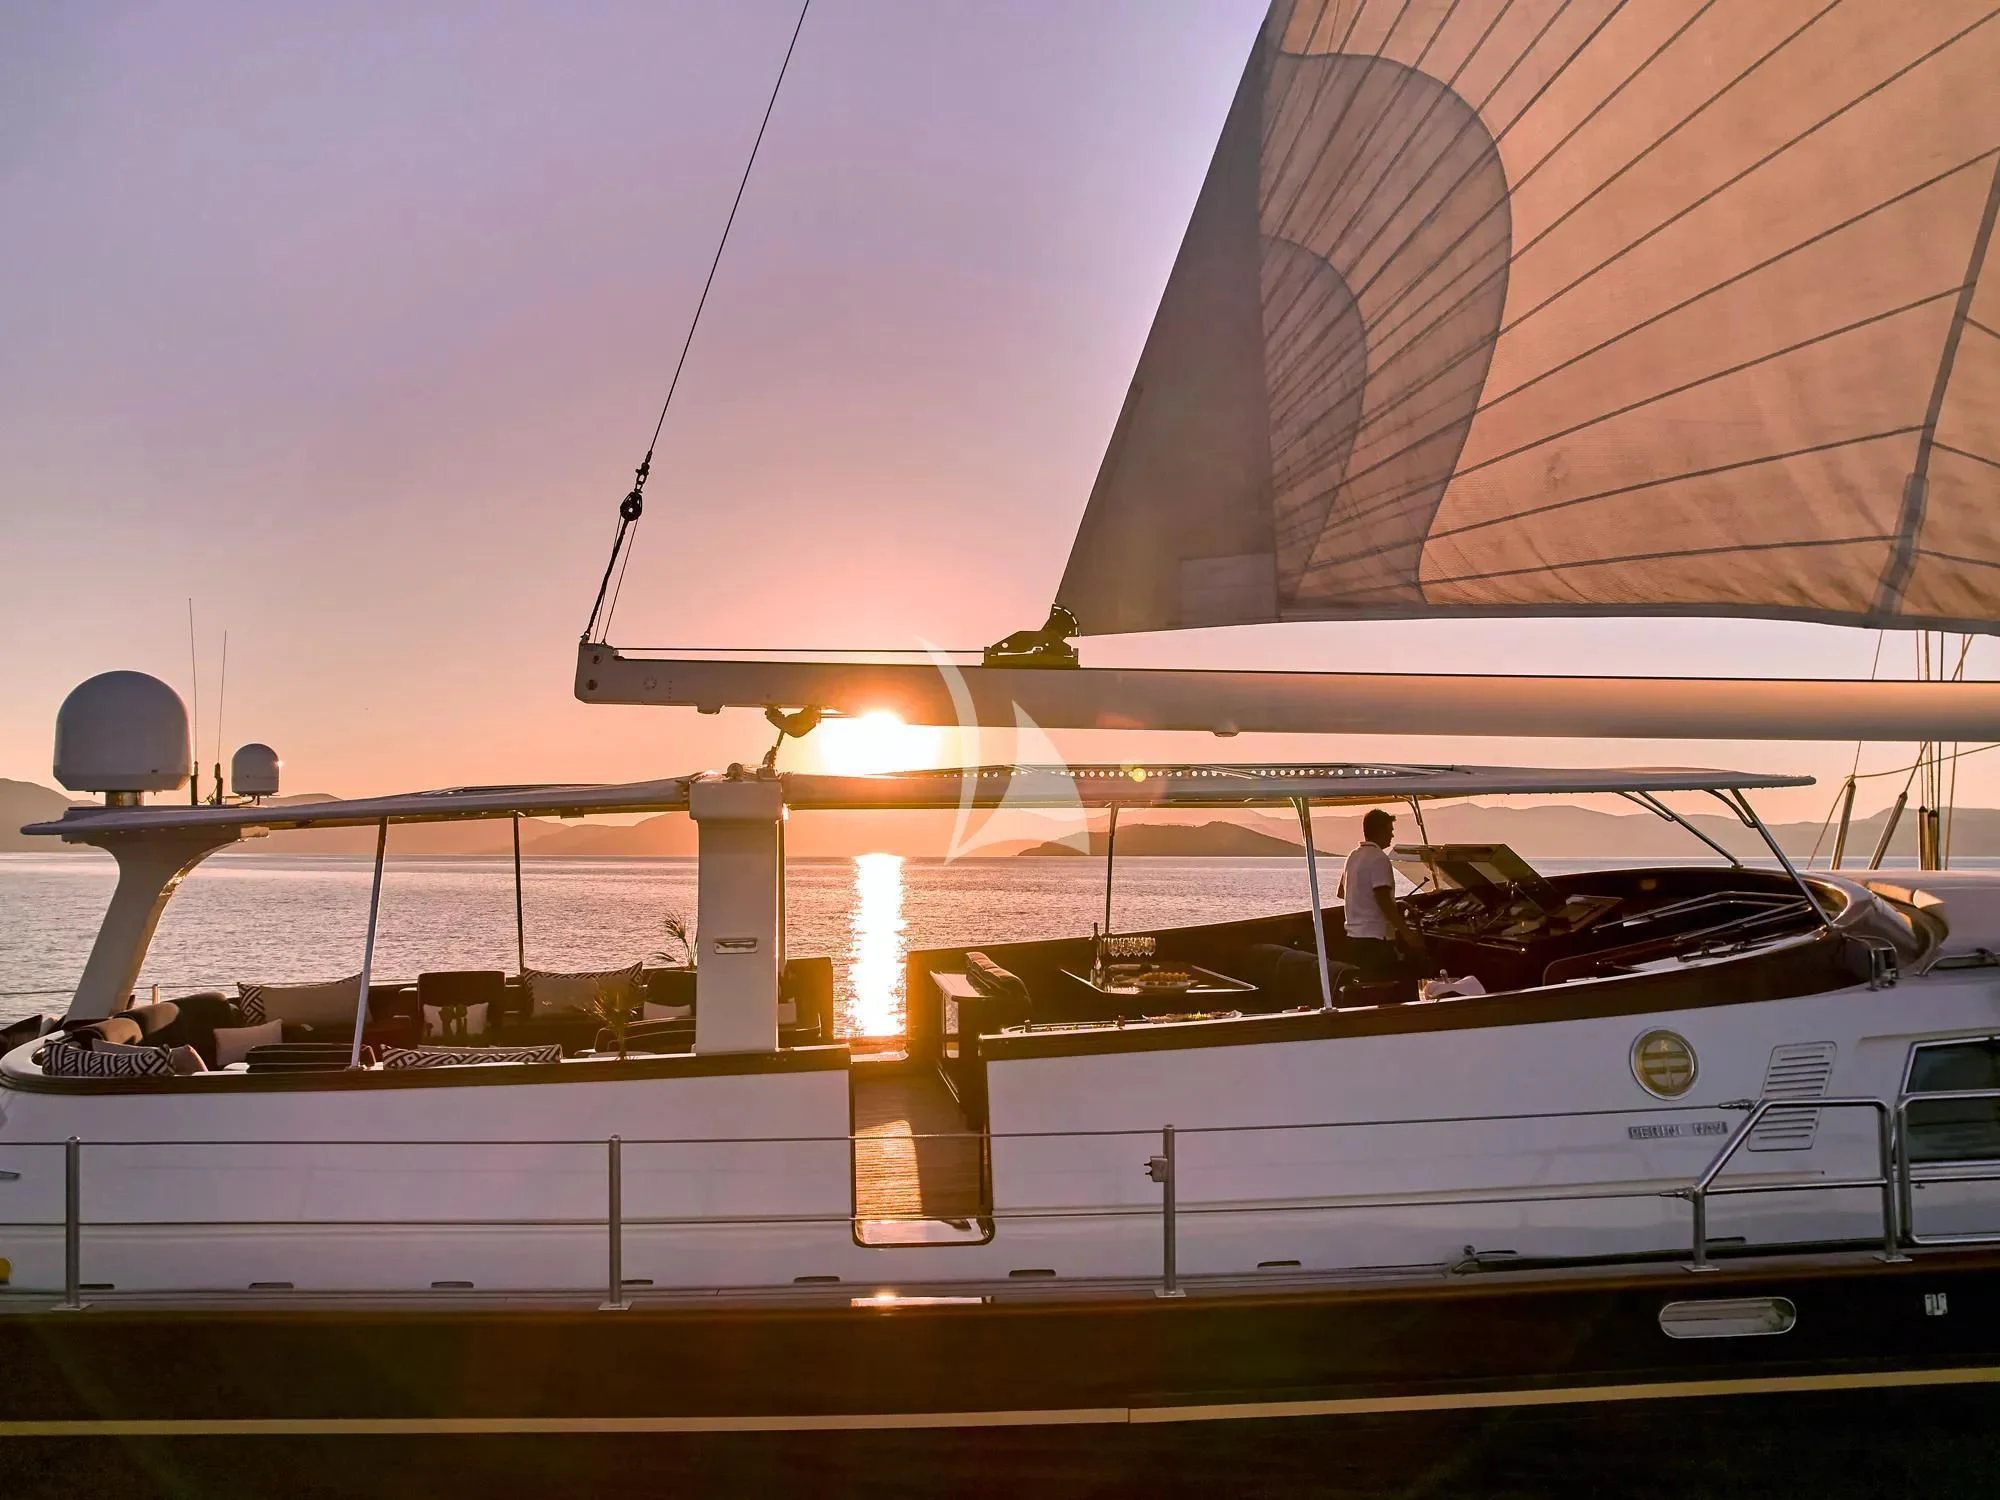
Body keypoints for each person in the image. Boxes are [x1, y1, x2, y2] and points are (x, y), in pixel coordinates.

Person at [1338, 808, 1422, 984]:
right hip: (1375, 941)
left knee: (1368, 989)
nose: (1392, 836)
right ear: (1379, 831)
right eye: (1389, 831)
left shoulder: (1353, 856)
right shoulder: (1379, 858)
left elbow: (1342, 892)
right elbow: (1382, 899)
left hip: (1354, 938)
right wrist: (1407, 934)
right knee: (1387, 989)